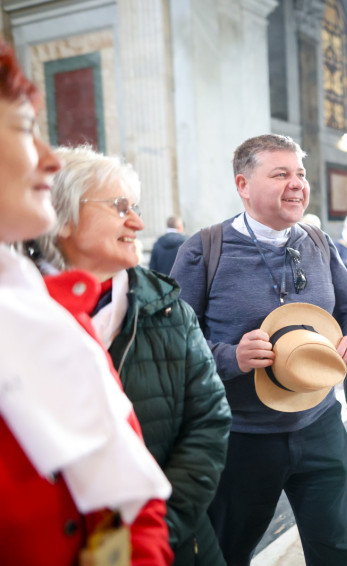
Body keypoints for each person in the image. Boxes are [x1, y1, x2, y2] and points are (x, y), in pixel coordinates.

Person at [0, 39, 172, 565]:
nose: (49, 159)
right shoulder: (55, 310)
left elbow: (123, 504)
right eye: (26, 130)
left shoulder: (45, 315)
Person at [170, 133, 347, 566]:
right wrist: (231, 357)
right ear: (243, 185)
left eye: (300, 173)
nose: (297, 183)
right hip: (240, 436)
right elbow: (174, 343)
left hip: (320, 425)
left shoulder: (318, 242)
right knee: (227, 549)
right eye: (281, 174)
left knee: (338, 548)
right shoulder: (204, 249)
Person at [35, 145, 232, 566]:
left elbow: (209, 421)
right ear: (61, 216)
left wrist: (153, 530)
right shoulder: (21, 316)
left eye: (135, 208)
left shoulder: (169, 309)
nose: (138, 223)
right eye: (119, 207)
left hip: (178, 546)